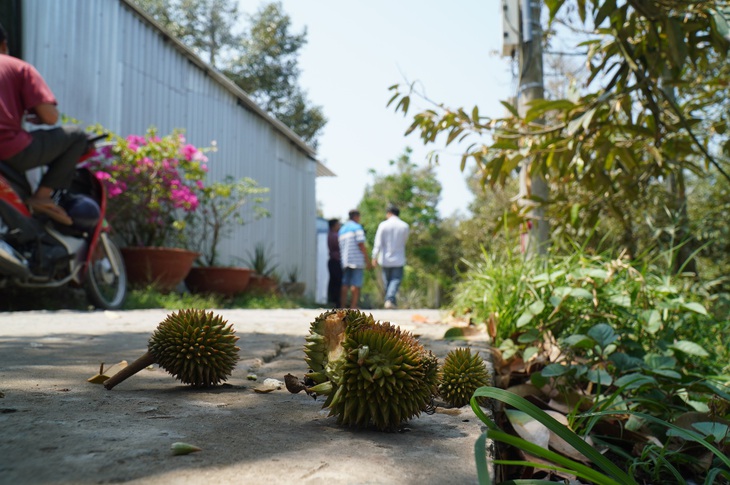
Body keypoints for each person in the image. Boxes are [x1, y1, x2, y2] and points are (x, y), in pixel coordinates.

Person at [0, 22, 88, 226]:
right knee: (76, 136)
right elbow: (50, 117)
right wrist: (39, 115)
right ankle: (42, 196)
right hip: (10, 150)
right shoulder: (18, 66)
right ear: (4, 45)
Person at [371, 205, 409, 309]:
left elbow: (378, 242)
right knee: (395, 280)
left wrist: (374, 256)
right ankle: (390, 300)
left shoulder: (383, 225)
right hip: (399, 258)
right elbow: (404, 241)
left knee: (387, 281)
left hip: (385, 258)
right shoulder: (404, 226)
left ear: (389, 213)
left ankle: (389, 299)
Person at [338, 209, 370, 309]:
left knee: (345, 284)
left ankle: (342, 306)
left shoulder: (342, 229)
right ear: (356, 216)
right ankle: (353, 306)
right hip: (356, 260)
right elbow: (361, 244)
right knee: (355, 284)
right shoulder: (357, 227)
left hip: (345, 260)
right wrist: (367, 260)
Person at [327, 218, 342, 307]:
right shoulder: (335, 236)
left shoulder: (330, 234)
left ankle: (333, 300)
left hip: (332, 261)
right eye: (338, 225)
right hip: (335, 261)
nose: (339, 226)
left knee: (333, 282)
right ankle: (336, 301)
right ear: (333, 226)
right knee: (337, 282)